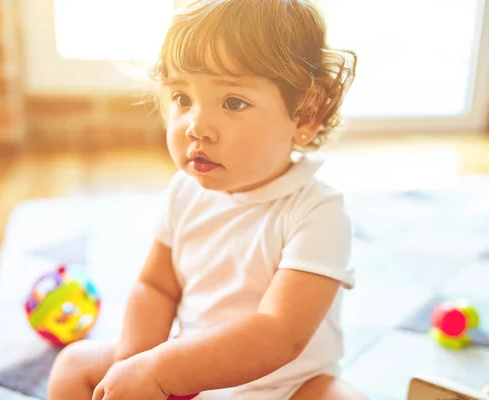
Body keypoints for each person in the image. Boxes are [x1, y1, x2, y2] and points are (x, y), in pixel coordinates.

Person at [48, 0, 364, 399]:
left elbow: (280, 333)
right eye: (182, 98)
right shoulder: (185, 191)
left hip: (286, 387)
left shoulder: (318, 213)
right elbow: (156, 287)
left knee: (340, 396)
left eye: (233, 102)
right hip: (187, 371)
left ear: (304, 114)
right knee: (73, 366)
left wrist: (161, 372)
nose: (197, 126)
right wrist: (133, 364)